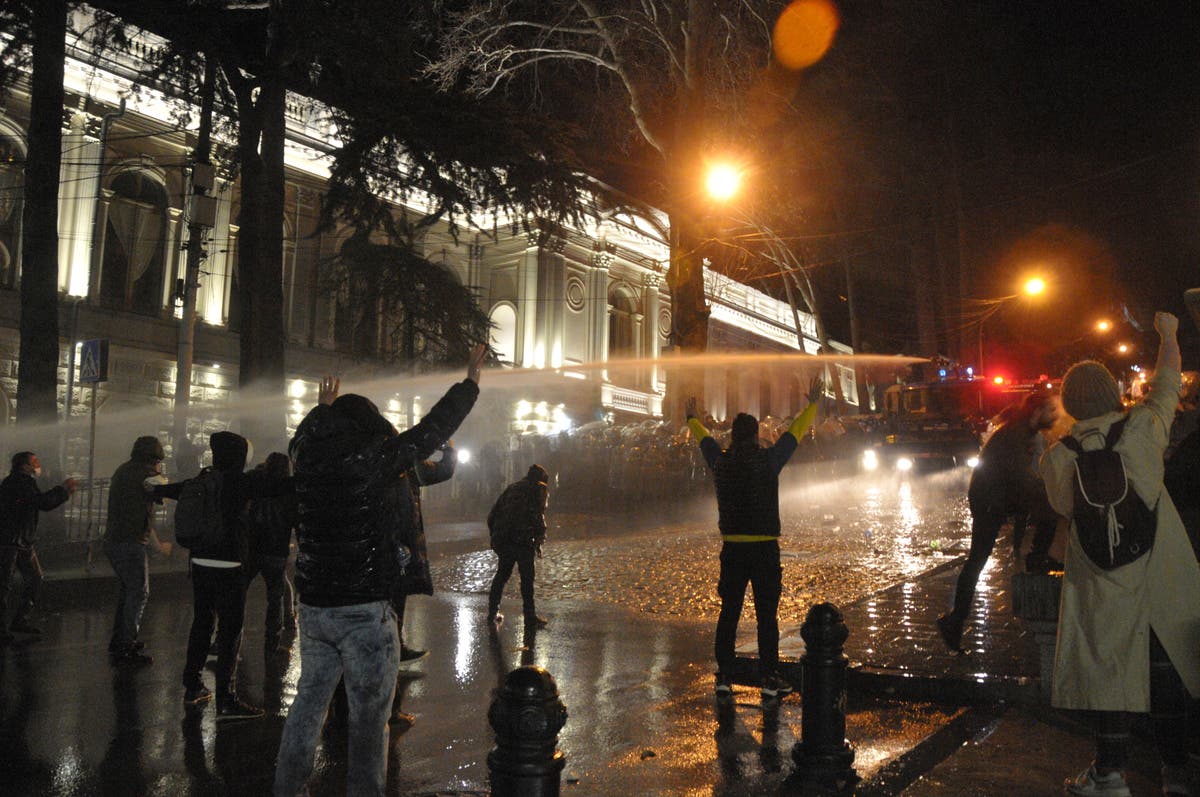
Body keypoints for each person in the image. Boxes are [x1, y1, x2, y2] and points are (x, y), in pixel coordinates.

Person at [273, 344, 484, 797]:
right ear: (370, 424)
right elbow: (432, 428)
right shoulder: (375, 458)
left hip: (313, 607)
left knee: (307, 707)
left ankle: (285, 789)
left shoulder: (305, 456)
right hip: (364, 607)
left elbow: (302, 436)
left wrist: (321, 409)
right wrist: (470, 381)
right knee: (370, 723)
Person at [1042, 312, 1200, 797]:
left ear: (1069, 402)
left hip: (1100, 585)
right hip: (1160, 575)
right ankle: (1178, 773)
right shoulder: (1145, 430)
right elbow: (1167, 382)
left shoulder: (1058, 456)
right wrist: (1168, 336)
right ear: (1114, 394)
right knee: (1167, 674)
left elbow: (1064, 507)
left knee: (1108, 674)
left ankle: (1109, 777)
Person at [686, 377, 822, 702]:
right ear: (756, 434)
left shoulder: (721, 462)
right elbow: (795, 435)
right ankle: (768, 678)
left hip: (732, 549)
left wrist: (691, 418)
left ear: (733, 436)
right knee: (766, 616)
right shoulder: (768, 461)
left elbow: (703, 440)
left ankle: (724, 675)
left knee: (729, 613)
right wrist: (814, 405)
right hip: (764, 549)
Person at [936, 390, 1061, 652]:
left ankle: (955, 621)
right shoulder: (1016, 434)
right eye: (1050, 410)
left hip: (996, 496)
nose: (1055, 415)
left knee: (977, 560)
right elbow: (1021, 477)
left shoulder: (1022, 431)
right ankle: (955, 621)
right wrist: (1049, 492)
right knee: (977, 559)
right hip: (990, 499)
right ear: (1037, 412)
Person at [181, 431, 291, 719]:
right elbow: (281, 485)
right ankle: (226, 699)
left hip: (200, 562)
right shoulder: (242, 483)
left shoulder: (201, 480)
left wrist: (154, 491)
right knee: (230, 631)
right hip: (229, 565)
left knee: (202, 623)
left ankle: (192, 686)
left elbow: (173, 491)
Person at [105, 436, 180, 664]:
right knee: (139, 592)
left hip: (116, 540)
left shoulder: (124, 471)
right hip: (130, 542)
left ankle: (120, 640)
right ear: (154, 459)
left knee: (128, 591)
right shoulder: (145, 476)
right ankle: (125, 647)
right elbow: (164, 494)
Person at [394, 440, 458, 666]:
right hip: (395, 543)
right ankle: (391, 650)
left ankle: (392, 647)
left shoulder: (365, 462)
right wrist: (449, 449)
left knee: (389, 597)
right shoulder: (406, 465)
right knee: (394, 594)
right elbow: (443, 470)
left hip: (379, 543)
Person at [0, 452, 76, 643]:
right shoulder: (19, 482)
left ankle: (19, 620)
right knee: (4, 586)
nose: (38, 464)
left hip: (21, 541)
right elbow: (42, 502)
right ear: (24, 466)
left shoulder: (22, 482)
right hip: (11, 542)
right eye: (34, 461)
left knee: (34, 578)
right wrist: (63, 490)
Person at [244, 452, 298, 654]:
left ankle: (226, 639)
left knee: (239, 592)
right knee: (274, 598)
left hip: (252, 548)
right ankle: (272, 643)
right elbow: (295, 520)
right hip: (276, 550)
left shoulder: (255, 484)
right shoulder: (290, 491)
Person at [485, 463, 551, 629]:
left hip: (506, 539)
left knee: (501, 576)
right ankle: (529, 616)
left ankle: (492, 612)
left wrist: (496, 536)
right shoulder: (537, 489)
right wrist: (539, 537)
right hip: (523, 540)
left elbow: (493, 514)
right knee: (527, 579)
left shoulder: (512, 488)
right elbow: (538, 515)